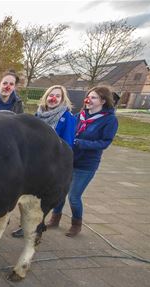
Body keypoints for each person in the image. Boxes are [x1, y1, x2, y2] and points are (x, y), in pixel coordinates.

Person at [50, 85, 118, 237]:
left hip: (86, 164)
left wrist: (81, 143)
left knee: (74, 196)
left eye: (93, 98)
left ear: (103, 101)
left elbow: (105, 142)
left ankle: (76, 224)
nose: (88, 100)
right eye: (88, 96)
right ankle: (55, 218)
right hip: (70, 160)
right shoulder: (80, 115)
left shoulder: (109, 120)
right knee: (61, 191)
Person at [11, 85, 76, 238]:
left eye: (57, 96)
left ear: (62, 99)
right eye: (50, 95)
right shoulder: (38, 115)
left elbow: (67, 144)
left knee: (41, 199)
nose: (53, 98)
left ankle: (35, 227)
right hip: (34, 163)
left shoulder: (67, 117)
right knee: (28, 197)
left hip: (51, 164)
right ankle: (26, 224)